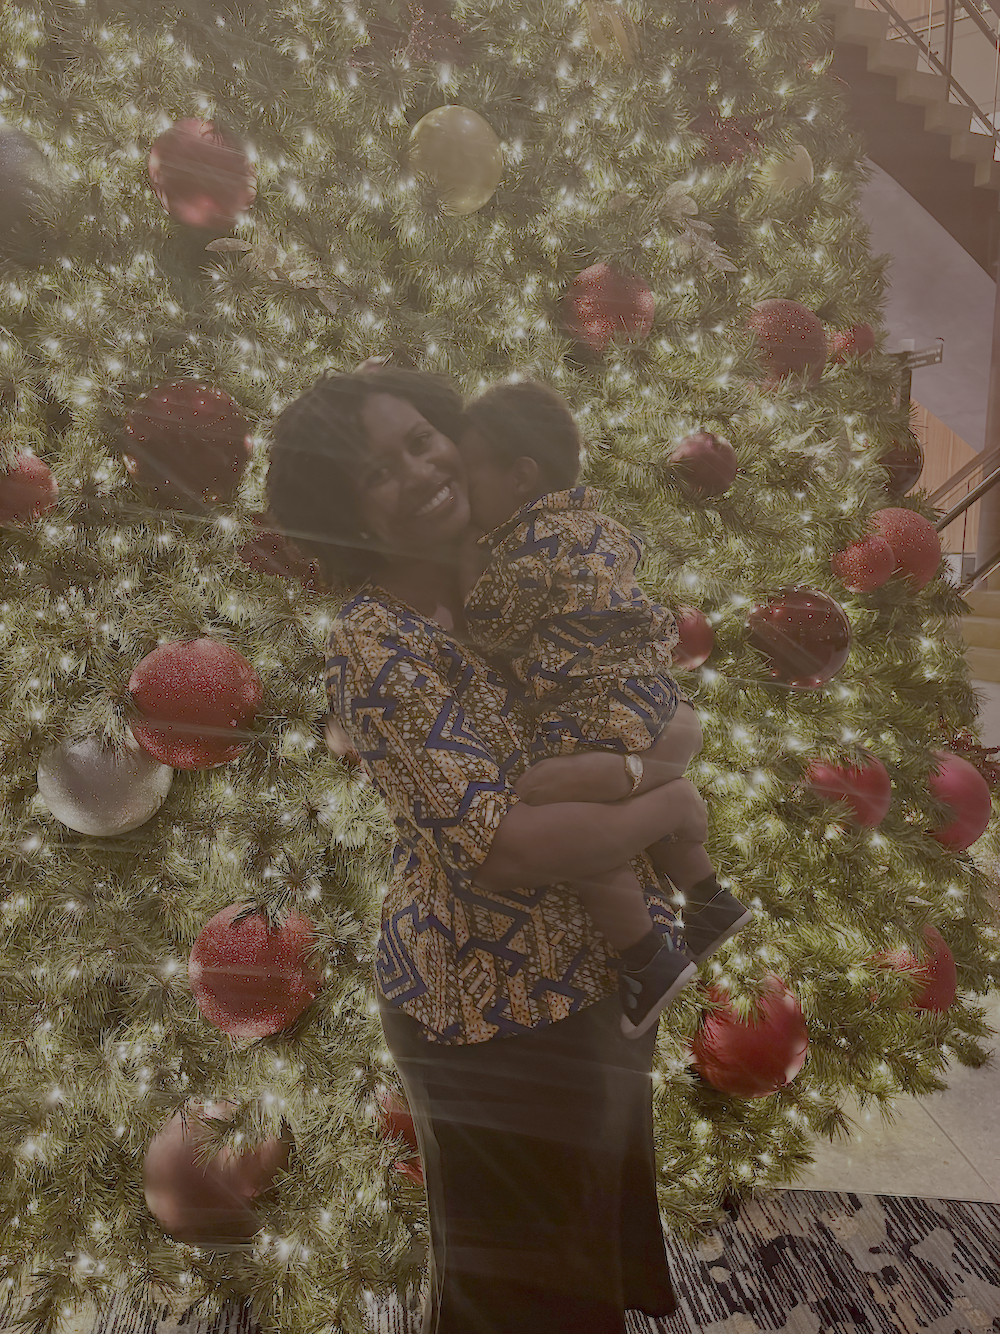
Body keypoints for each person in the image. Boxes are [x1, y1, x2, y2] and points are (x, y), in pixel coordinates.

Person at [265, 366, 709, 1333]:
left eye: (421, 441)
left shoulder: (524, 568)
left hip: (600, 977)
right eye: (377, 473)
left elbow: (669, 710)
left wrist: (644, 768)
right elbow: (506, 847)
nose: (419, 473)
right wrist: (665, 795)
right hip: (487, 1016)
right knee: (520, 1297)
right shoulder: (374, 647)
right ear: (348, 518)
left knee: (583, 1255)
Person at [459, 380, 751, 1037]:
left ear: (519, 477)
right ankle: (707, 898)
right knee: (603, 801)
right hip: (648, 689)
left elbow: (493, 628)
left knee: (575, 826)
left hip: (590, 702)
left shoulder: (525, 548)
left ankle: (645, 957)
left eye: (471, 474)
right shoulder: (601, 526)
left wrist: (465, 612)